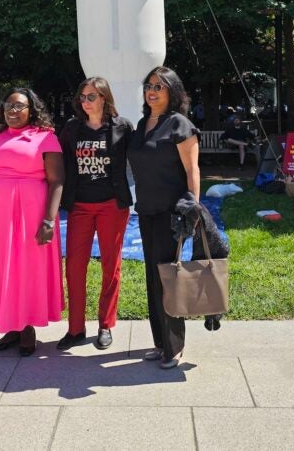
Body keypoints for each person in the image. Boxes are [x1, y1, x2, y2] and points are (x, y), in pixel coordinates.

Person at [0, 87, 64, 356]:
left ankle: (26, 327)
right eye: (9, 106)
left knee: (25, 268)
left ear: (31, 110)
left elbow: (57, 180)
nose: (13, 111)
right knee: (1, 267)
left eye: (19, 106)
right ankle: (10, 325)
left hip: (31, 212)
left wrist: (48, 221)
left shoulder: (45, 138)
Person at [127, 66, 200, 370]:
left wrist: (193, 206)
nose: (152, 91)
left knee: (169, 278)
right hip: (146, 210)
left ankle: (174, 347)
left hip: (173, 213)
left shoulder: (179, 124)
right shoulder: (144, 123)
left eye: (159, 86)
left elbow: (192, 170)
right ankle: (160, 343)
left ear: (173, 91)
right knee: (153, 278)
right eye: (149, 86)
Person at [57, 76, 133, 351]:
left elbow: (140, 159)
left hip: (112, 205)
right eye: (82, 97)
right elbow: (59, 161)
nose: (85, 102)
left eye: (91, 96)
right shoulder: (71, 129)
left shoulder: (122, 127)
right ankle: (75, 328)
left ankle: (105, 325)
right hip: (80, 207)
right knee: (75, 267)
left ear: (104, 98)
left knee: (110, 267)